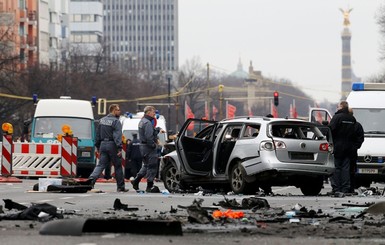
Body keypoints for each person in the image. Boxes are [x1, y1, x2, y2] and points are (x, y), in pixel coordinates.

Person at [88, 104, 128, 192]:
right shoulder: (116, 121)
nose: (119, 112)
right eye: (118, 110)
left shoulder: (102, 120)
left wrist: (98, 146)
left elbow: (97, 134)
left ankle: (90, 181)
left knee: (101, 165)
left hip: (103, 144)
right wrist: (119, 148)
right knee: (117, 166)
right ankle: (120, 187)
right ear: (113, 110)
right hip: (112, 145)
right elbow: (117, 135)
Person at [131, 106, 164, 192]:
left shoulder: (142, 121)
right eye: (153, 112)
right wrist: (153, 145)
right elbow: (149, 137)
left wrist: (157, 130)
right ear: (148, 112)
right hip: (148, 147)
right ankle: (150, 186)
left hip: (143, 146)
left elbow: (150, 133)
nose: (154, 113)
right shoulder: (148, 123)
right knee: (152, 166)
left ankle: (136, 181)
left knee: (146, 165)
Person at [329, 101, 356, 195]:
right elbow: (355, 133)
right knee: (346, 169)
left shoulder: (337, 117)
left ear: (341, 107)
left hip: (338, 146)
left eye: (338, 106)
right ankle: (345, 188)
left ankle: (337, 188)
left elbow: (330, 130)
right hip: (349, 147)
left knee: (336, 168)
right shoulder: (352, 119)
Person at [348, 108, 365, 193]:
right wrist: (356, 147)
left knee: (344, 169)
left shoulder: (352, 125)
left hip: (345, 151)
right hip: (353, 151)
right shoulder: (357, 125)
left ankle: (344, 188)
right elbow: (361, 138)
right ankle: (351, 188)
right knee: (352, 170)